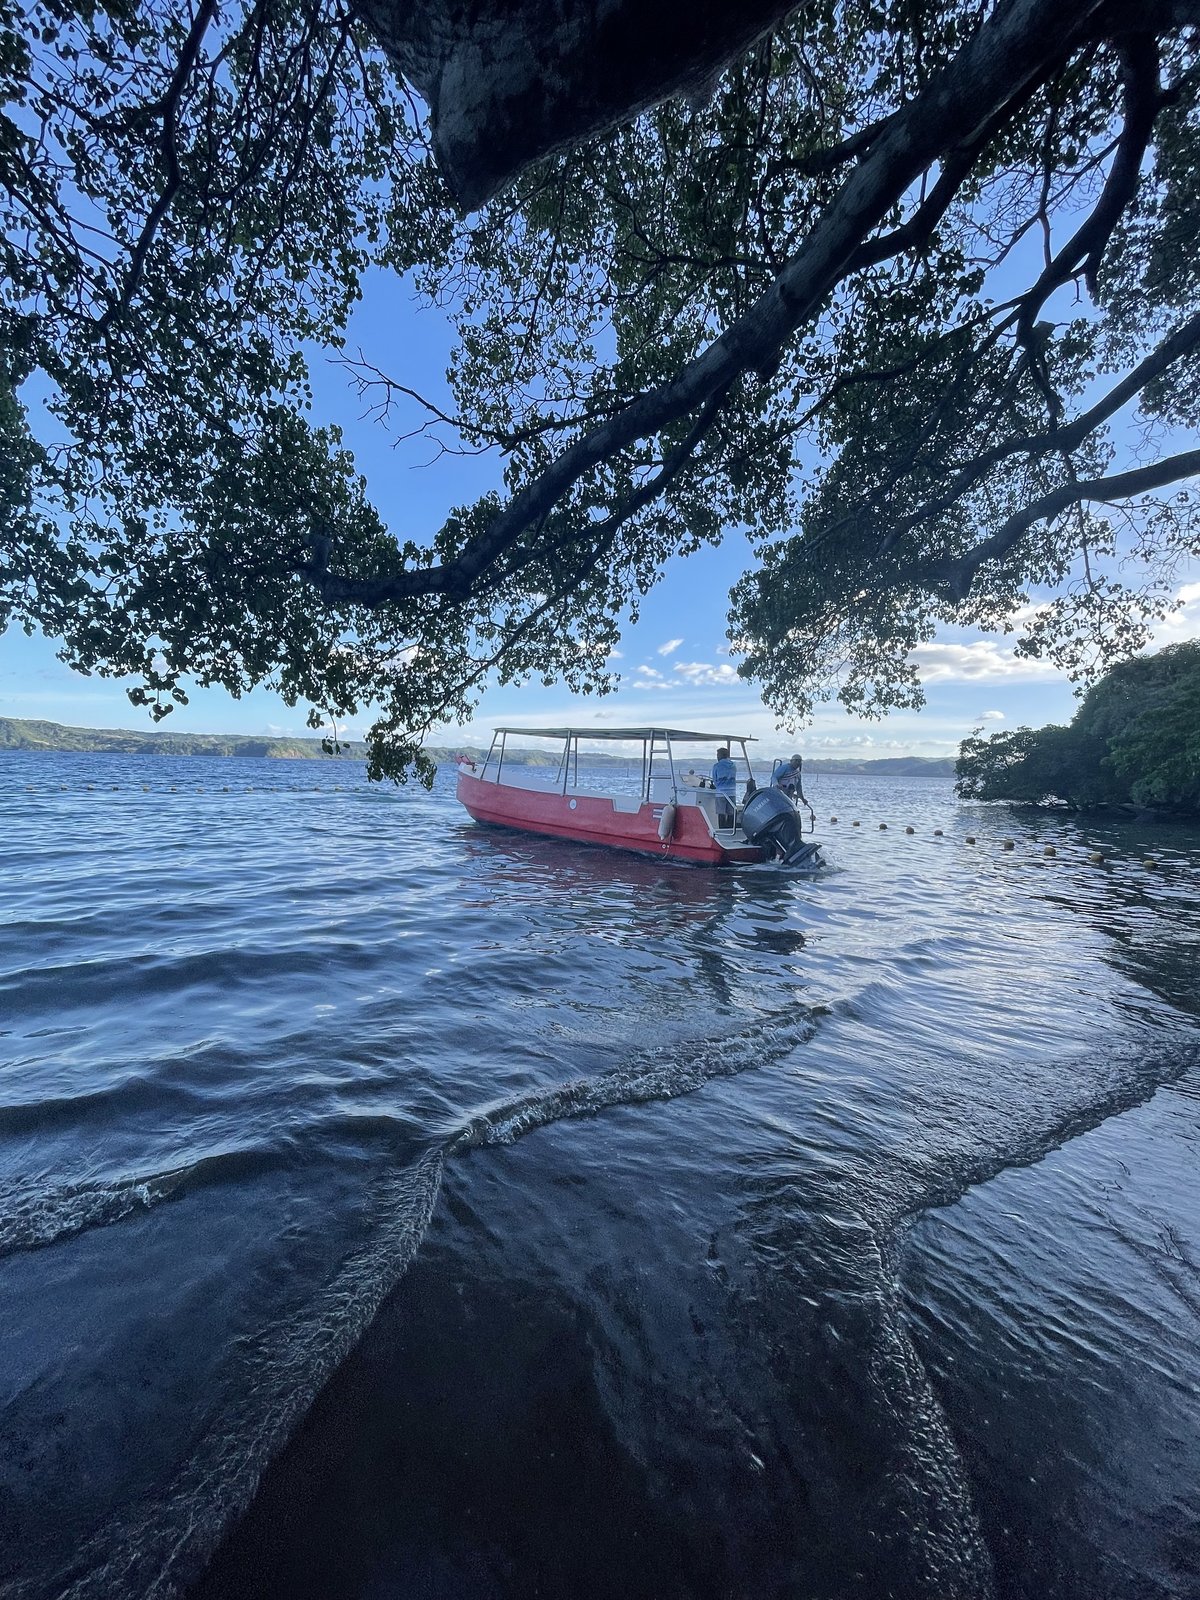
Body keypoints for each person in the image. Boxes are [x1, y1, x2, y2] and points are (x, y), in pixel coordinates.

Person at [710, 745, 737, 825]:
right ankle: (731, 830)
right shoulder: (733, 765)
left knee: (721, 813)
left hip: (721, 793)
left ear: (720, 755)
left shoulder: (717, 766)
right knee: (731, 813)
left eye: (717, 755)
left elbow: (715, 780)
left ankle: (722, 831)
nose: (717, 756)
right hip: (732, 792)